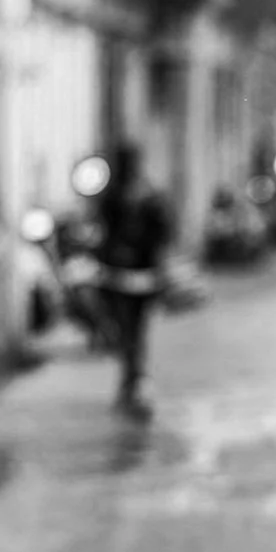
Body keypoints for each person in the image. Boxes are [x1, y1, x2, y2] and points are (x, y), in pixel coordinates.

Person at [94, 143, 173, 416]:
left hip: (132, 275)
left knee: (131, 330)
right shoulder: (123, 196)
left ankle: (134, 380)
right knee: (132, 330)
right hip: (129, 275)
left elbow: (160, 235)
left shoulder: (131, 197)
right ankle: (134, 379)